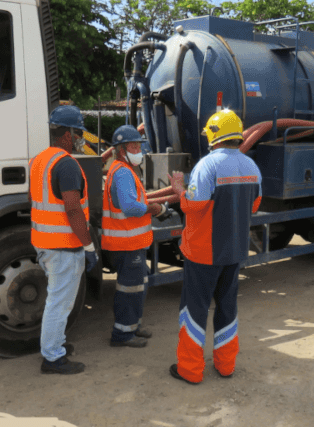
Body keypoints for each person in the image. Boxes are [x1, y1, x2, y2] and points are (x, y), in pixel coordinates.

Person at [168, 108, 262, 384]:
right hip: (234, 251)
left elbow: (193, 206)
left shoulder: (207, 165)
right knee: (227, 308)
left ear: (213, 136)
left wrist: (178, 191)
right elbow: (254, 205)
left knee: (194, 310)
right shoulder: (251, 167)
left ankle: (190, 370)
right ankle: (225, 366)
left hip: (202, 253)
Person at [30, 105, 99, 375]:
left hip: (44, 243)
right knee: (60, 303)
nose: (81, 137)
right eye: (79, 132)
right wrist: (89, 245)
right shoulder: (67, 164)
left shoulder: (39, 160)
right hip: (64, 246)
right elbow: (72, 209)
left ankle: (55, 344)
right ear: (68, 134)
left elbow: (34, 200)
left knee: (57, 299)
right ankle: (52, 357)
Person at [102, 125, 167, 348]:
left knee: (138, 285)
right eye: (134, 146)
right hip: (126, 242)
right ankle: (122, 334)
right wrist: (152, 209)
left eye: (139, 145)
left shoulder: (124, 170)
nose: (138, 150)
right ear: (121, 150)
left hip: (130, 242)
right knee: (129, 289)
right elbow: (130, 207)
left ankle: (133, 326)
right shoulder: (122, 172)